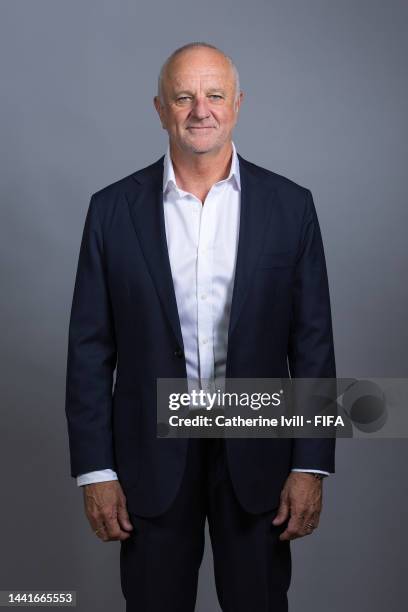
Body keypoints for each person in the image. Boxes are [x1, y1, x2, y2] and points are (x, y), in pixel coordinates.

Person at [65, 41, 336, 612]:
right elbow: (90, 349)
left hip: (259, 444)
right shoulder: (112, 210)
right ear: (160, 109)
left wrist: (310, 463)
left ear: (237, 104)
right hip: (148, 453)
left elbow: (312, 344)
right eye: (183, 97)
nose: (200, 110)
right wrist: (96, 469)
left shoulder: (291, 206)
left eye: (214, 95)